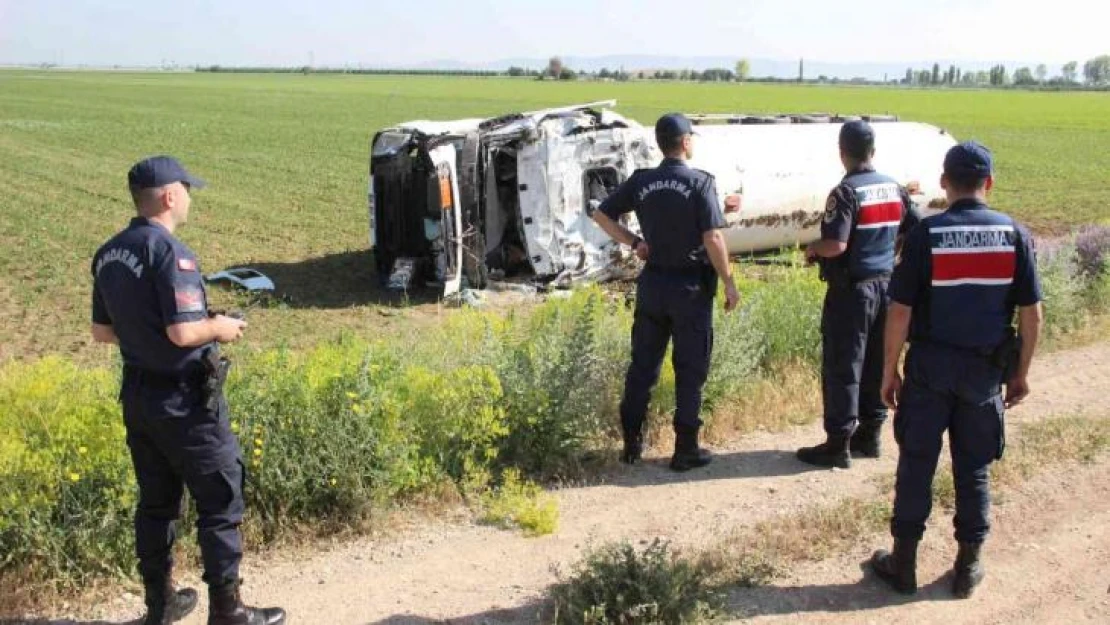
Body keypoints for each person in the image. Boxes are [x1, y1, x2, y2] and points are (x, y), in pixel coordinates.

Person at [91, 155, 285, 625]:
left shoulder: (109, 253)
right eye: (187, 189)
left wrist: (146, 337)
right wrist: (220, 326)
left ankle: (159, 607)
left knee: (157, 504)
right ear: (170, 195)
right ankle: (228, 610)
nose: (190, 197)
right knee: (220, 499)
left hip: (138, 396)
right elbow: (183, 333)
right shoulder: (170, 252)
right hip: (184, 400)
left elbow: (103, 332)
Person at [869, 141, 1043, 598]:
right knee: (974, 469)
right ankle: (967, 568)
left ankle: (903, 564)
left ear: (945, 183)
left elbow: (900, 311)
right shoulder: (1015, 235)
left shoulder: (927, 235)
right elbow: (1031, 315)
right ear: (988, 183)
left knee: (916, 465)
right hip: (985, 373)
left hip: (929, 371)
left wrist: (890, 371)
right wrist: (1021, 373)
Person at [590, 113, 741, 471]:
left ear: (661, 143)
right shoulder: (700, 183)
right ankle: (685, 448)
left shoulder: (643, 181)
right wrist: (730, 282)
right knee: (690, 369)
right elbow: (713, 236)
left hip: (653, 285)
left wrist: (635, 242)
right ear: (686, 142)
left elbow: (601, 214)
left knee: (643, 366)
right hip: (690, 288)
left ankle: (631, 443)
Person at [796, 120, 920, 469]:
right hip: (887, 286)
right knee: (877, 361)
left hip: (853, 293)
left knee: (843, 364)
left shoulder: (846, 192)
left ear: (842, 152)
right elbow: (915, 230)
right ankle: (871, 435)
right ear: (873, 152)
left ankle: (838, 443)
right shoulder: (895, 188)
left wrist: (812, 249)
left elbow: (836, 244)